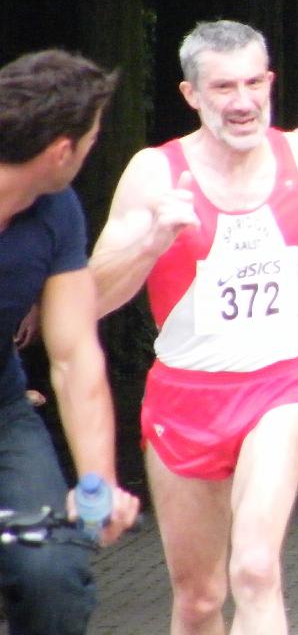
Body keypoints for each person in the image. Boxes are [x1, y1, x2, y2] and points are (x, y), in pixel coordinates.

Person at [88, 20, 298, 634]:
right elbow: (89, 299)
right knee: (199, 600)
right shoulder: (155, 173)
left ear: (270, 81)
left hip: (276, 387)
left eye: (254, 83)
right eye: (224, 87)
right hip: (184, 395)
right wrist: (150, 244)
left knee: (255, 569)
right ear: (191, 94)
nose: (243, 101)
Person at [0, 49, 140, 634]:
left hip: (4, 413)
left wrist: (96, 484)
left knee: (53, 576)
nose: (92, 151)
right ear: (62, 150)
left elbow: (74, 353)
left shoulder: (57, 210)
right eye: (92, 140)